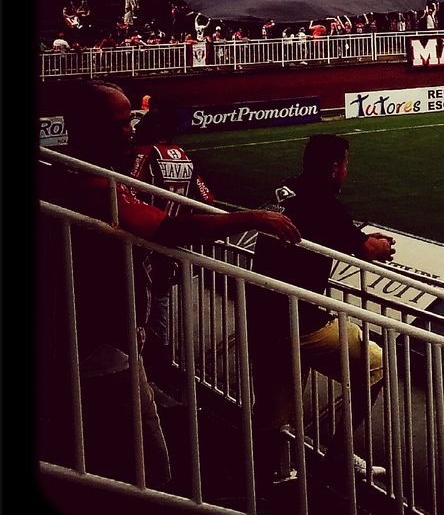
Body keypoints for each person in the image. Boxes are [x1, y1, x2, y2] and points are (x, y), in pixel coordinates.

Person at [40, 81, 300, 489]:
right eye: (120, 122)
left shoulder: (105, 171)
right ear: (89, 127)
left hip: (112, 335)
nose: (129, 130)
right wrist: (251, 218)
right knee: (147, 462)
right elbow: (168, 227)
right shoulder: (90, 181)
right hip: (99, 346)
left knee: (131, 445)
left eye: (131, 120)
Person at [250, 134, 396, 490]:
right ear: (334, 168)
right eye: (345, 165)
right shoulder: (324, 201)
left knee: (273, 406)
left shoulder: (289, 189)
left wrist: (359, 238)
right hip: (298, 318)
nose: (346, 172)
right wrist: (382, 245)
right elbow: (366, 249)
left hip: (263, 310)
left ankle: (263, 482)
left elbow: (336, 233)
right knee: (375, 363)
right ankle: (339, 455)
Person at [128, 99, 217, 398]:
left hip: (143, 244)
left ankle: (145, 375)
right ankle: (160, 372)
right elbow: (206, 199)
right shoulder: (184, 157)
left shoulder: (143, 153)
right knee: (161, 311)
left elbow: (129, 186)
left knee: (139, 311)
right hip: (169, 245)